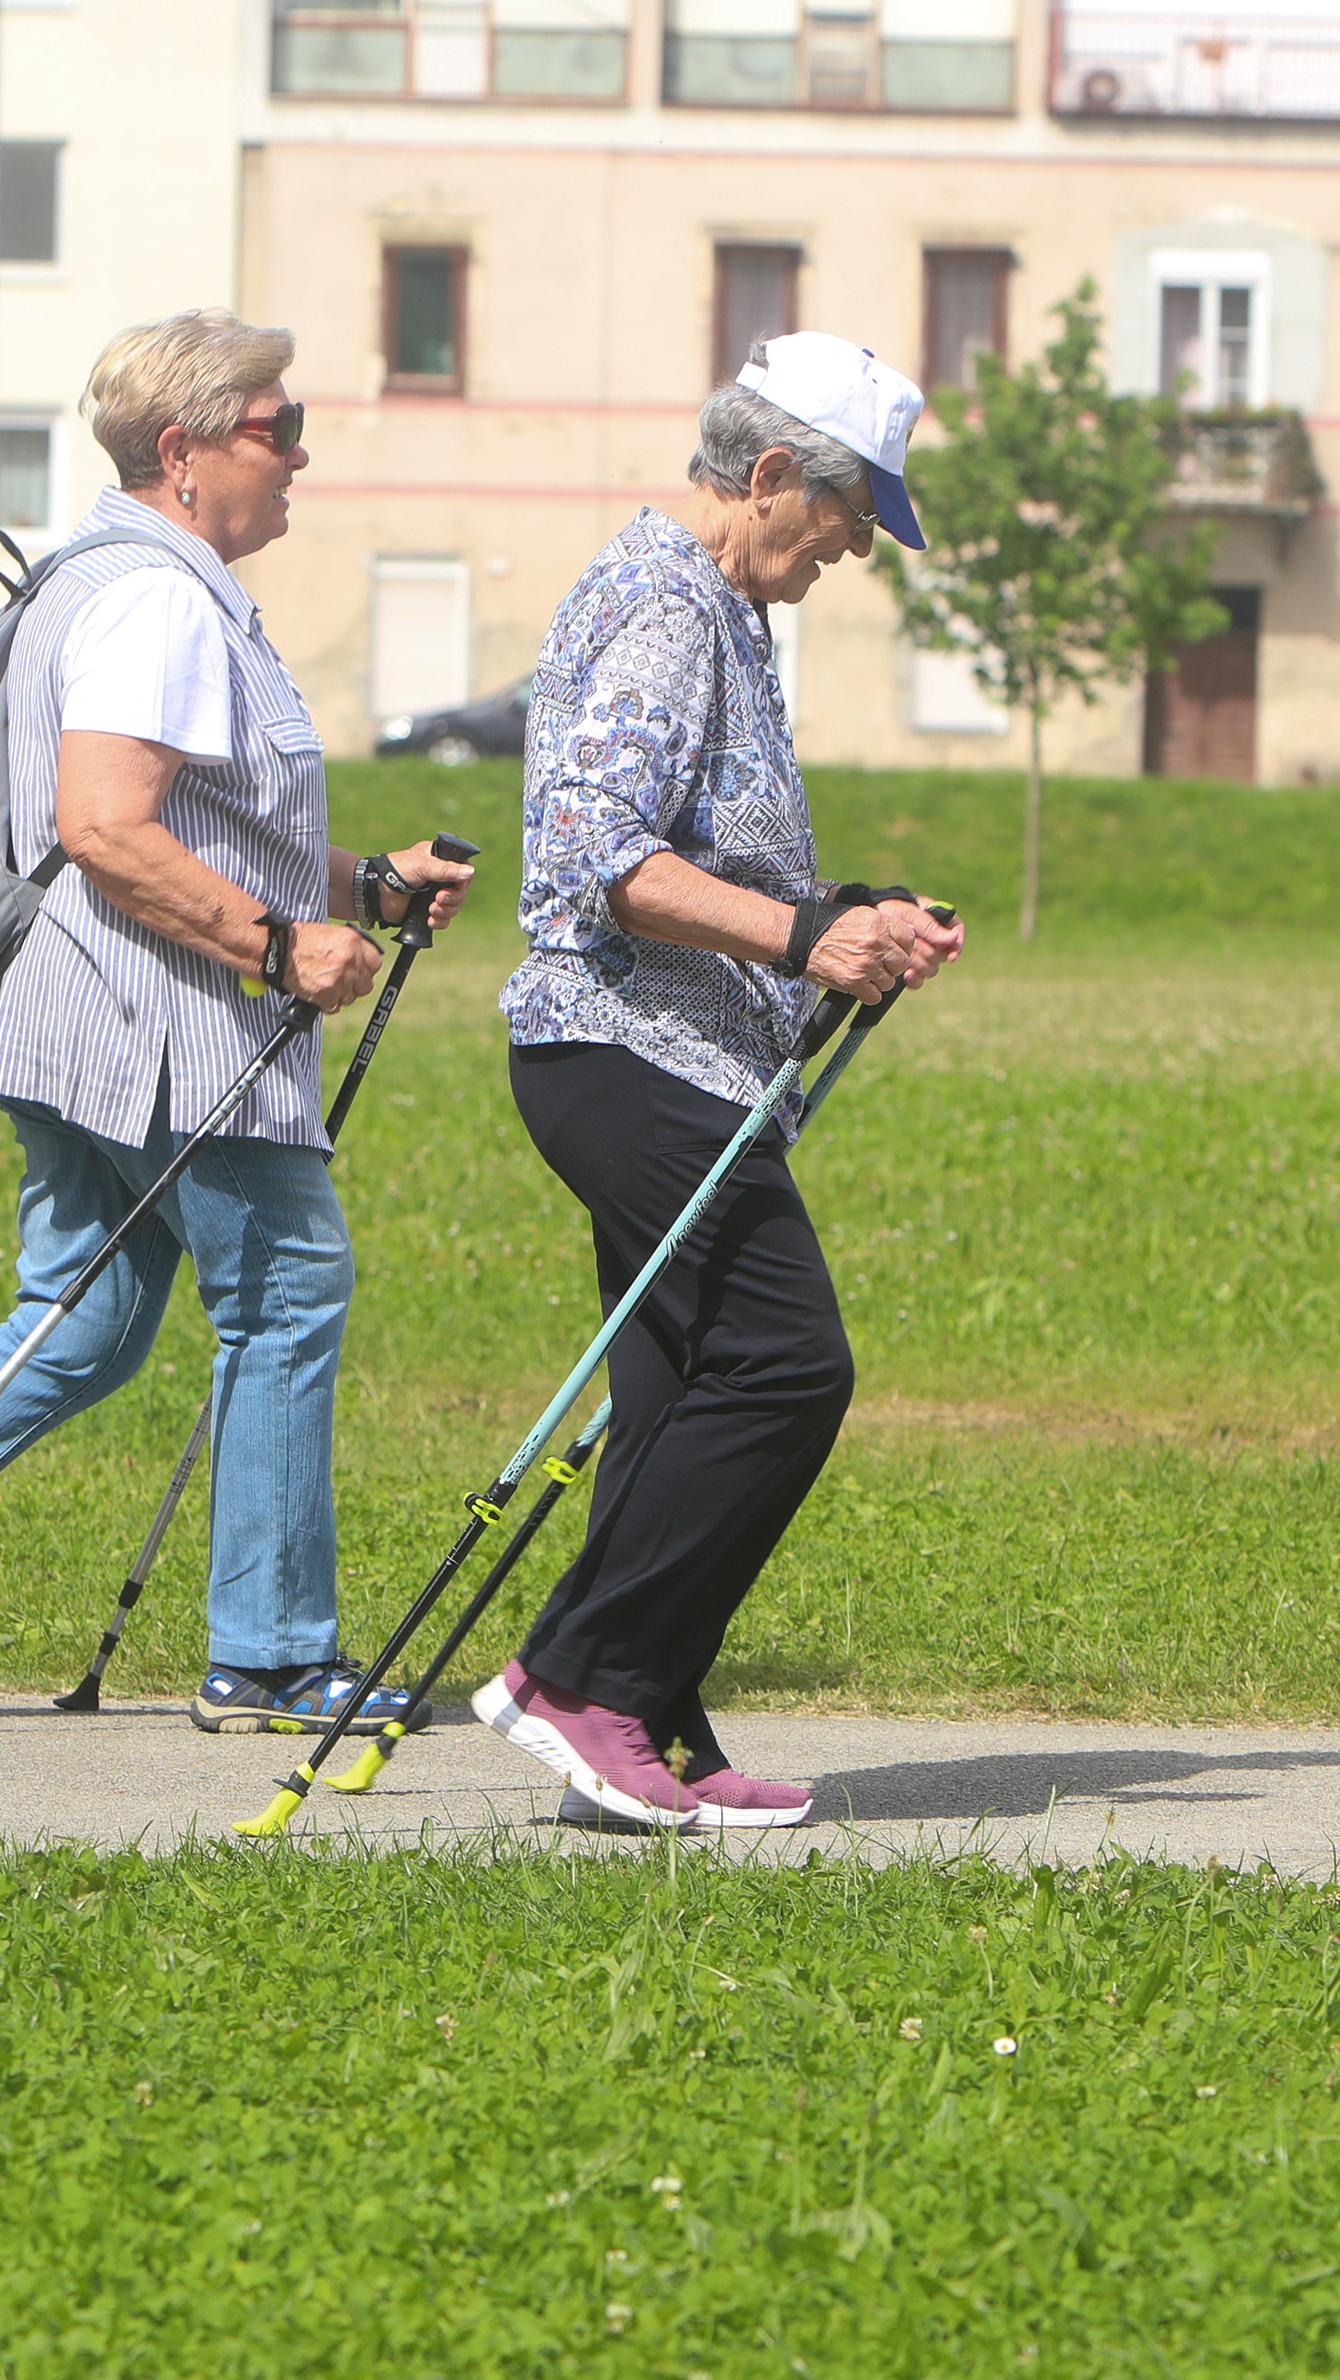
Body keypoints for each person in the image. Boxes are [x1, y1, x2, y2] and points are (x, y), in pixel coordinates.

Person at [0, 310, 476, 1728]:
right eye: (273, 427)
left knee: (84, 1319)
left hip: (68, 1019)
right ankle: (276, 1650)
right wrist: (280, 944)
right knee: (286, 1291)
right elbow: (108, 825)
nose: (299, 454)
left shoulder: (95, 576)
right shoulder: (158, 600)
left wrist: (360, 881)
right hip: (155, 1025)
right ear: (182, 451)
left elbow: (192, 811)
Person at [473, 333, 963, 1832]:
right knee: (786, 1362)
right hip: (626, 1054)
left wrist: (847, 911)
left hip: (664, 1051)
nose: (854, 547)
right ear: (767, 477)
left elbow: (711, 847)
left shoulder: (724, 607)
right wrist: (807, 935)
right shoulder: (673, 609)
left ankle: (654, 1719)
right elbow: (595, 861)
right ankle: (574, 1678)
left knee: (675, 1385)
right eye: (846, 512)